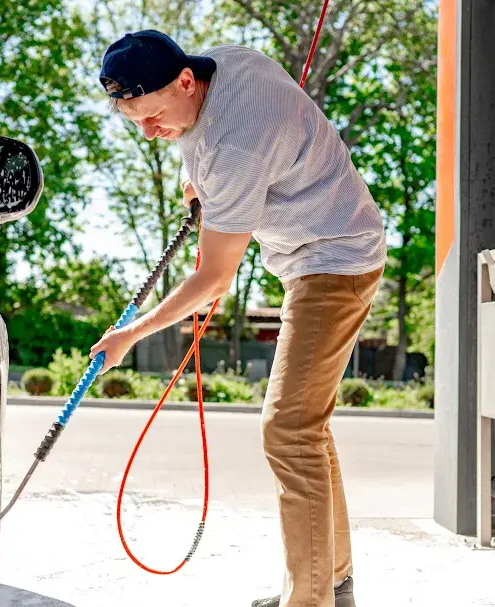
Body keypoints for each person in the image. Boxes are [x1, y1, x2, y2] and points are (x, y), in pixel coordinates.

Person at [89, 30, 385, 607]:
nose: (149, 132)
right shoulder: (224, 66)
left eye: (152, 116)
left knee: (288, 430)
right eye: (136, 121)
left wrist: (130, 333)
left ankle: (313, 600)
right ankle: (334, 582)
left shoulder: (238, 145)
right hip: (319, 251)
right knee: (307, 429)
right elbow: (205, 147)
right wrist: (197, 179)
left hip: (334, 258)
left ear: (184, 81)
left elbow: (215, 280)